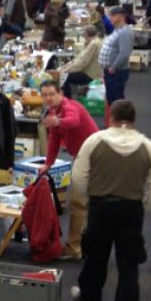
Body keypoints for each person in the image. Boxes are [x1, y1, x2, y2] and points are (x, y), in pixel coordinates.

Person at [69, 98, 151, 301]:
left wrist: (90, 198)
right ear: (133, 121)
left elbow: (78, 177)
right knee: (129, 267)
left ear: (110, 118)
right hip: (131, 210)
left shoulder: (94, 141)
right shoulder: (147, 146)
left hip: (101, 207)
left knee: (95, 257)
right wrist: (142, 205)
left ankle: (90, 300)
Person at [39, 76, 98, 260]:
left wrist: (57, 122)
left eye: (51, 94)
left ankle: (74, 248)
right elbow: (54, 140)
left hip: (92, 158)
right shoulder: (53, 111)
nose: (48, 98)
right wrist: (48, 163)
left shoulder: (69, 107)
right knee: (85, 204)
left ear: (61, 93)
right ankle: (83, 245)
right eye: (44, 95)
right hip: (83, 157)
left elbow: (72, 121)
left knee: (79, 203)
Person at [99, 6, 134, 108]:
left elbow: (124, 53)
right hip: (111, 71)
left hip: (116, 72)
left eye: (113, 15)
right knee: (112, 99)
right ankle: (116, 121)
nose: (110, 18)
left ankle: (120, 122)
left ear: (121, 17)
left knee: (116, 100)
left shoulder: (125, 32)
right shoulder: (117, 30)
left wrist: (114, 67)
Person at [62, 23, 104, 96]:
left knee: (63, 78)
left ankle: (67, 101)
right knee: (64, 75)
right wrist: (65, 67)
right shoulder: (94, 42)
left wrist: (64, 71)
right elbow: (78, 59)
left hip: (91, 75)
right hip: (90, 72)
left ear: (86, 34)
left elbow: (82, 63)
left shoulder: (93, 44)